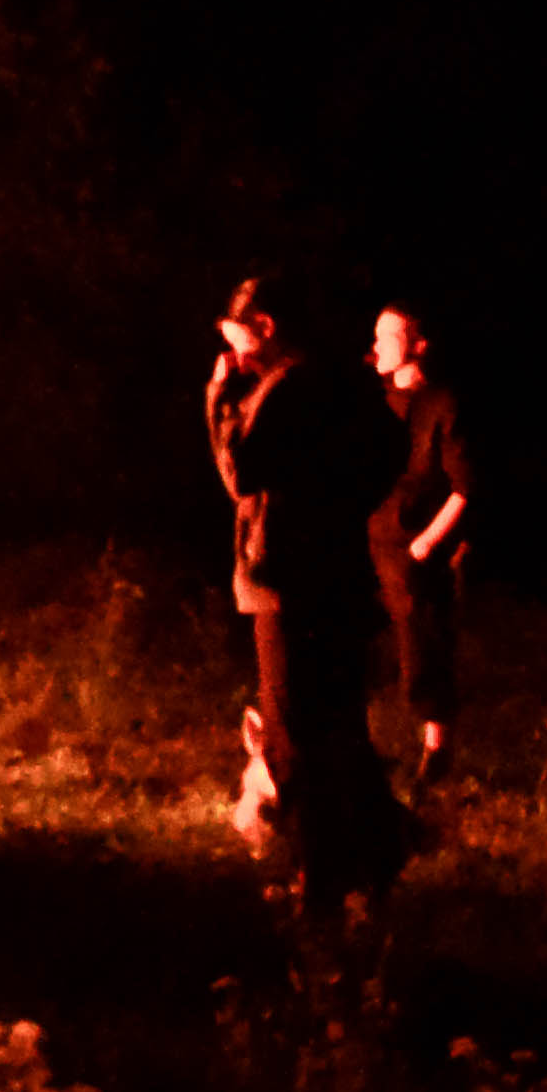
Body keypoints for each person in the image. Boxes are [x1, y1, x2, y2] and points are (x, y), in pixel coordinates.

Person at [203, 273, 408, 916]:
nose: (231, 348)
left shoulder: (285, 386)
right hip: (338, 578)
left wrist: (219, 397)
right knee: (339, 726)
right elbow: (390, 446)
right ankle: (372, 858)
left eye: (235, 334)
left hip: (286, 582)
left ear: (264, 326)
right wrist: (342, 509)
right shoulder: (342, 381)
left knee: (294, 736)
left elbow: (242, 472)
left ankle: (319, 881)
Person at [368, 305, 472, 787]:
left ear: (419, 344)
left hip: (413, 547)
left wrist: (428, 543)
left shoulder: (441, 403)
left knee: (422, 650)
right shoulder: (374, 401)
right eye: (378, 336)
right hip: (370, 538)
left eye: (391, 335)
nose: (380, 345)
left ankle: (436, 755)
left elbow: (464, 487)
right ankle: (365, 752)